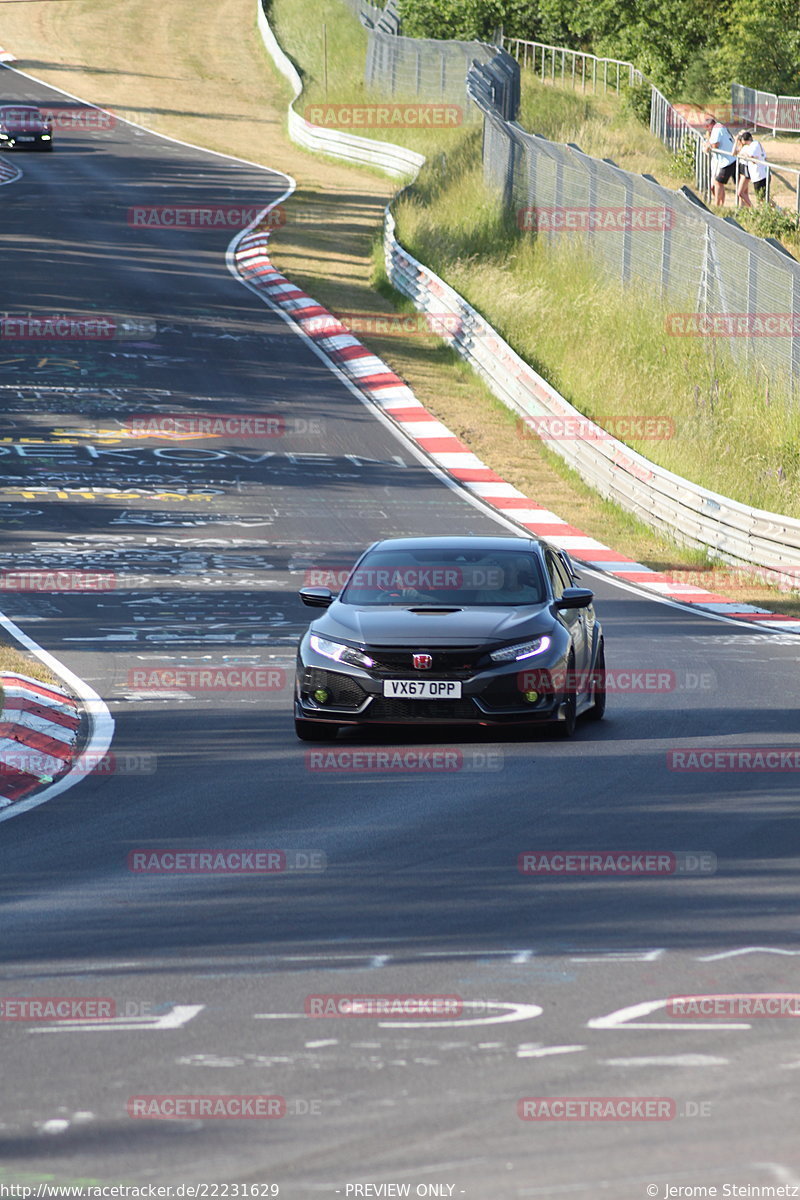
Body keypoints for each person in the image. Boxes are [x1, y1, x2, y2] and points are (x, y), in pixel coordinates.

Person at [703, 114, 736, 206]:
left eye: (708, 129)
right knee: (719, 183)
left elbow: (714, 145)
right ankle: (720, 204)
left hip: (727, 160)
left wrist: (707, 144)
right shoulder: (720, 127)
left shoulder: (717, 129)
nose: (708, 131)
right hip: (727, 159)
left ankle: (718, 204)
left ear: (709, 126)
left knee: (718, 183)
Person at [735, 130, 768, 207]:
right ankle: (775, 210)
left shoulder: (754, 145)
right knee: (762, 198)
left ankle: (778, 210)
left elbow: (753, 159)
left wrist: (745, 155)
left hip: (760, 175)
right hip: (758, 175)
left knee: (762, 198)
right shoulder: (754, 145)